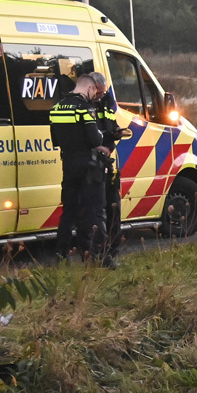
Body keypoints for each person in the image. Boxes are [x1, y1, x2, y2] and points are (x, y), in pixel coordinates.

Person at [47, 74, 111, 265]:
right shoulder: (85, 108)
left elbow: (56, 140)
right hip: (89, 166)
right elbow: (95, 139)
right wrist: (100, 138)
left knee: (69, 212)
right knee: (96, 212)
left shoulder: (56, 108)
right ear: (90, 89)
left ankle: (61, 255)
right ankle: (101, 257)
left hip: (68, 164)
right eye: (94, 92)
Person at [85, 70, 125, 259]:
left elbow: (110, 125)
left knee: (113, 208)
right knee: (96, 212)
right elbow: (90, 136)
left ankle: (112, 250)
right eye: (98, 93)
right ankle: (98, 253)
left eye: (103, 92)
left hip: (108, 165)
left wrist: (116, 132)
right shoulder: (83, 104)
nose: (100, 96)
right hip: (93, 166)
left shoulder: (106, 101)